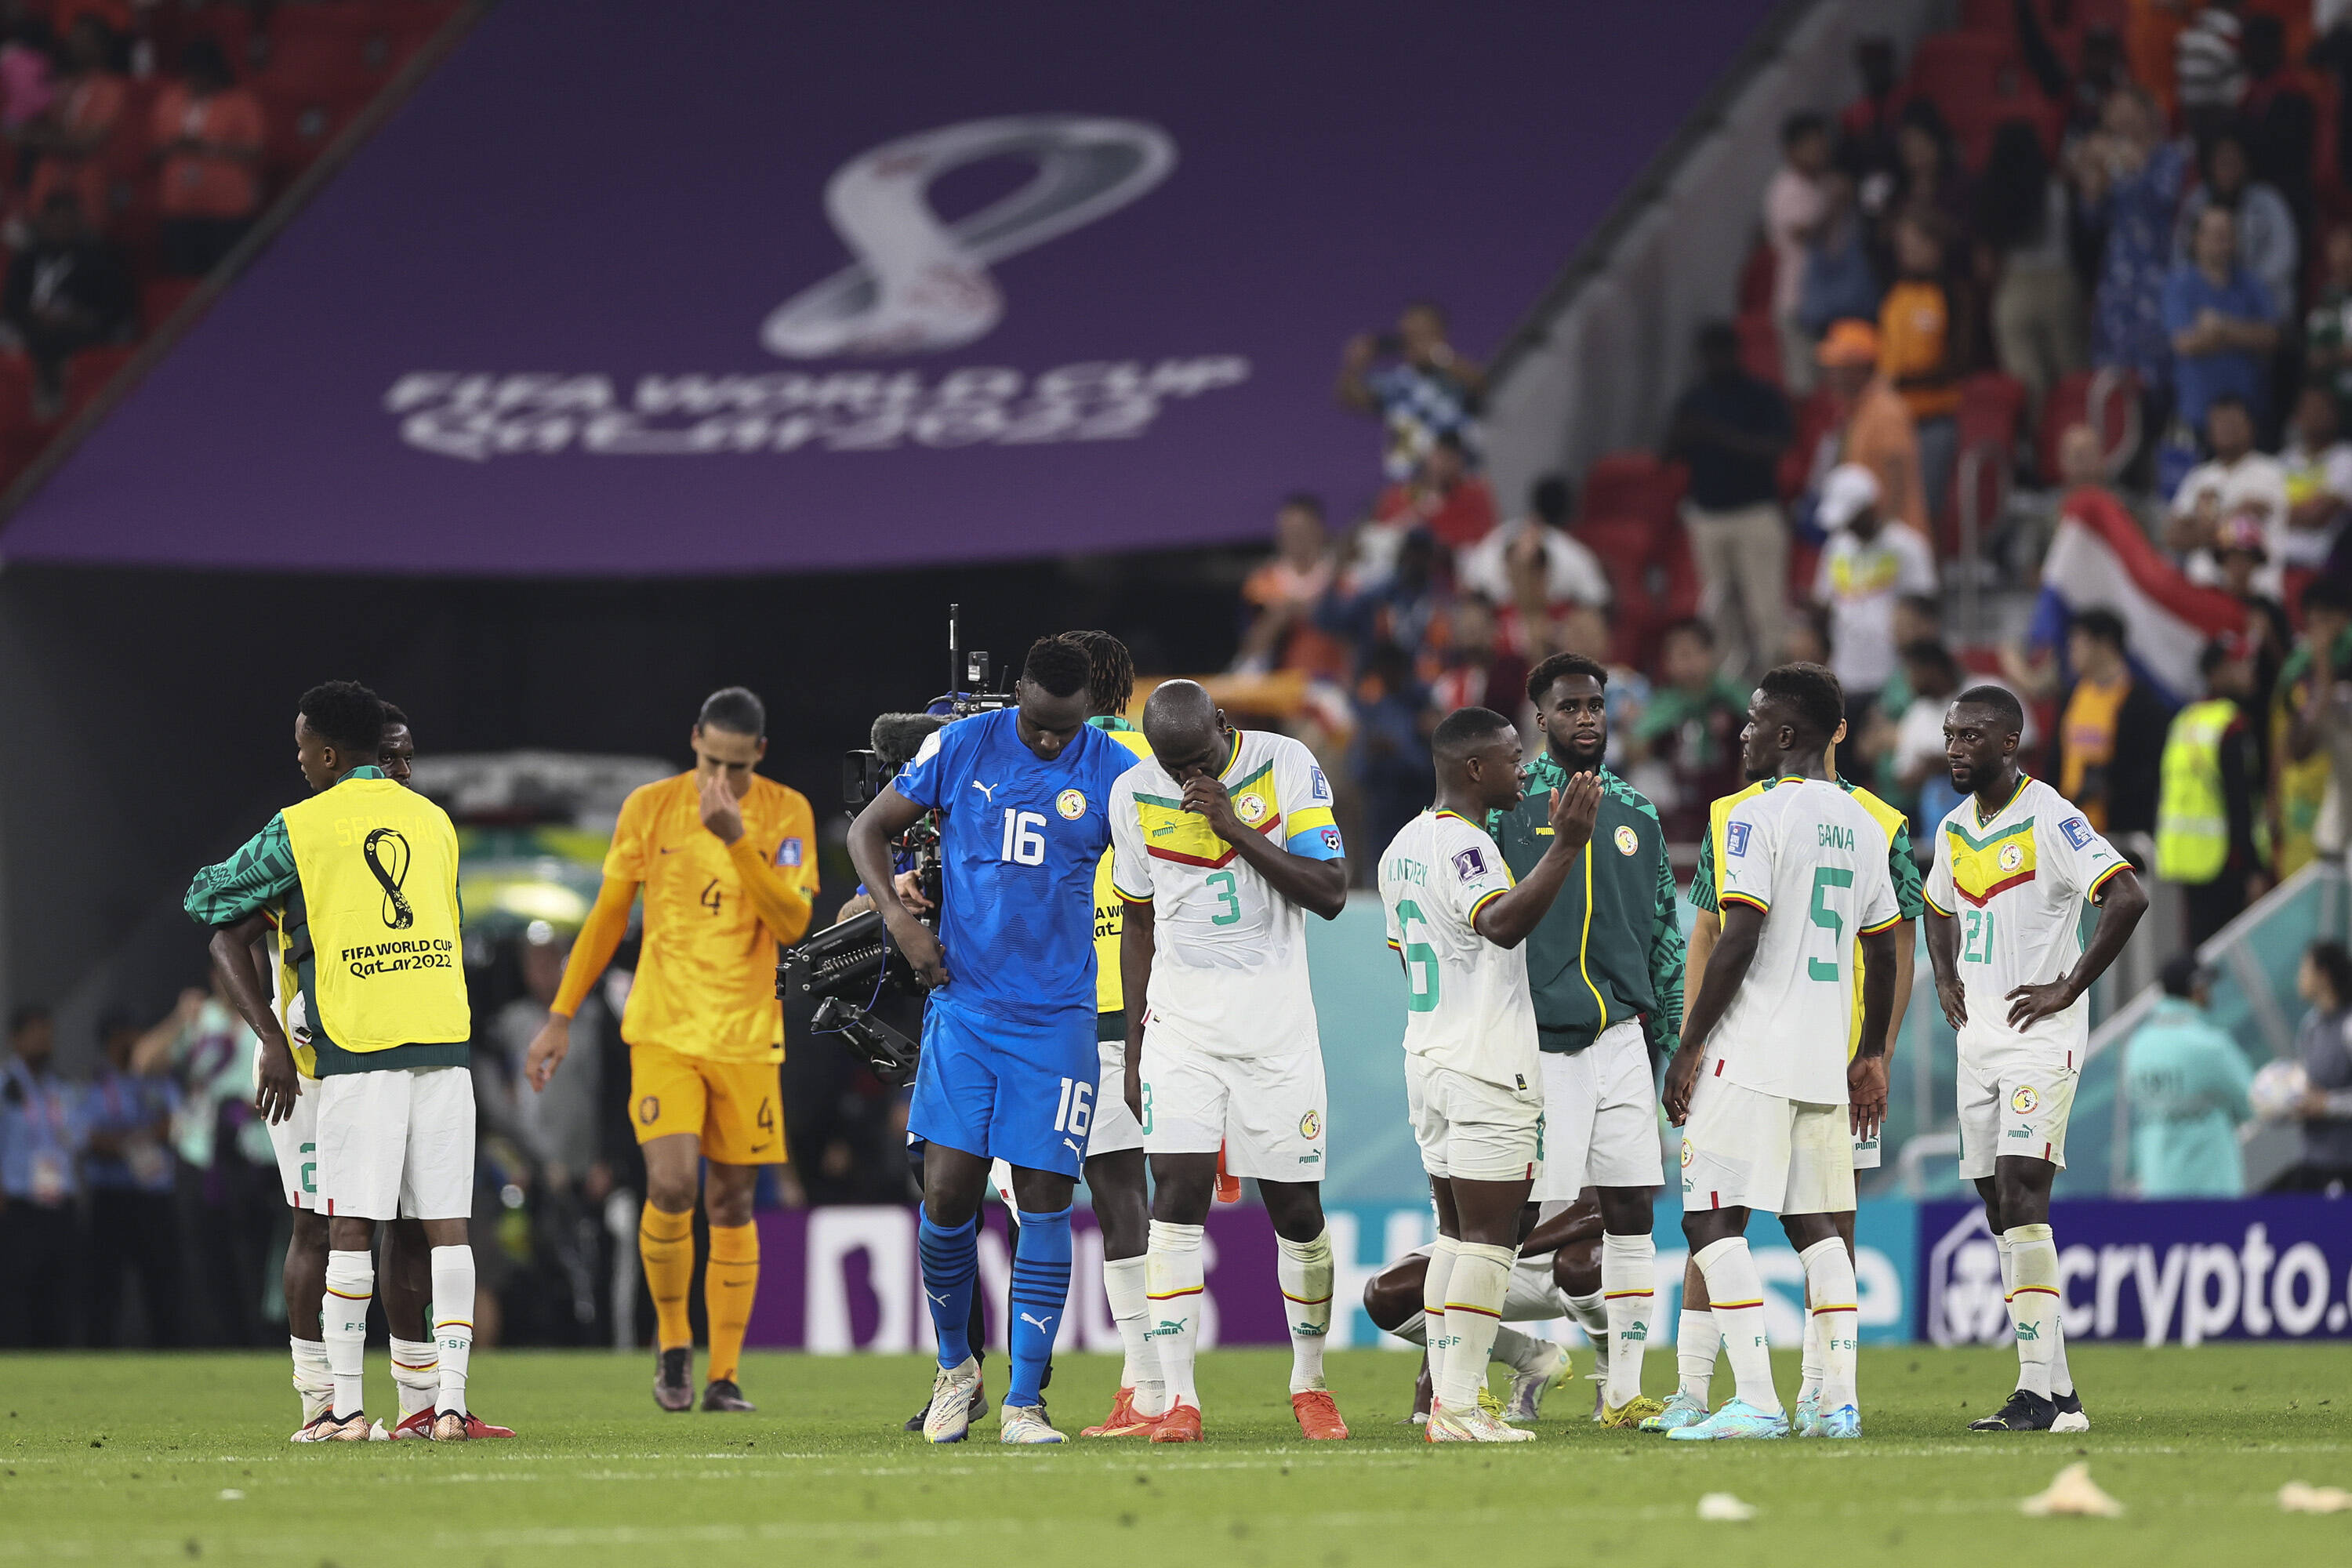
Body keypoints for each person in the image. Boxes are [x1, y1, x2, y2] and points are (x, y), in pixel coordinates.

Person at [186, 681, 501, 1440]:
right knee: (433, 1228)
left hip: (349, 1050)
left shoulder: (303, 829)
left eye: (301, 747)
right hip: (437, 1041)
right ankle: (431, 1404)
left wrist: (271, 1034)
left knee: (344, 1225)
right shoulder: (437, 823)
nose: (297, 760)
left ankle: (351, 1409)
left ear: (326, 753)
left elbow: (207, 901)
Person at [847, 637, 1138, 1445]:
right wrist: (902, 921)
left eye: (1066, 728)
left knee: (1046, 1199)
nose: (1051, 741)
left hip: (1059, 1019)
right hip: (966, 1008)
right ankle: (955, 1372)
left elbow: (1155, 881)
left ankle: (1025, 1402)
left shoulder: (1112, 768)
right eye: (1040, 724)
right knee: (947, 1194)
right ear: (1018, 694)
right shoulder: (962, 744)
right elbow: (868, 831)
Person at [525, 687, 818, 1414]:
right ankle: (673, 1343)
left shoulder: (788, 813)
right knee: (673, 1185)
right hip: (662, 1030)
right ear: (694, 741)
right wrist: (560, 1016)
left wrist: (734, 839)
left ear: (760, 754)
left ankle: (724, 1376)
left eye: (737, 766)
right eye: (710, 760)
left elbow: (791, 924)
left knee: (731, 1200)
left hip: (747, 1038)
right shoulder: (649, 808)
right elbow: (607, 916)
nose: (722, 779)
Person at [1655, 691, 1922, 1436]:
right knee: (1820, 1231)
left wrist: (1689, 1044)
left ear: (1782, 733)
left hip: (1750, 1053)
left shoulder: (1753, 815)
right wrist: (1870, 1050)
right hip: (1822, 1059)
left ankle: (1757, 1401)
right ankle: (1837, 1402)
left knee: (1710, 1222)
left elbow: (1737, 936)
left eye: (1751, 720)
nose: (1740, 732)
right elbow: (1882, 946)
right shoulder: (1866, 825)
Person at [1107, 681, 1349, 1443]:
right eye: (1173, 766)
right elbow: (1137, 922)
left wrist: (1233, 824)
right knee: (1175, 1192)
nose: (1187, 779)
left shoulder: (1286, 764)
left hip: (1275, 1027)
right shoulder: (1131, 792)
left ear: (1225, 723)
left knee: (1296, 1209)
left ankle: (1310, 1381)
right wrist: (1135, 1040)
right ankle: (1180, 1397)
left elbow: (1333, 891)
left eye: (1199, 758)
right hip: (1181, 1026)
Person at [1926, 684, 2148, 1432]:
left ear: (2010, 743)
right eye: (1951, 734)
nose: (1956, 747)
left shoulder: (2051, 814)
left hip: (2039, 1037)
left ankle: (2032, 1394)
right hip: (1978, 1039)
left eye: (1972, 736)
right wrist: (1945, 974)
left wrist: (2068, 985)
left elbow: (2127, 896)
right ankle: (2062, 1398)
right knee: (1997, 1206)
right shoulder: (1955, 828)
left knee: (2024, 1193)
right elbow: (1934, 905)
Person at [1378, 706, 1597, 1443]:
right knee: (1488, 1245)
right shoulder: (1465, 848)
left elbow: (1405, 954)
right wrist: (1566, 847)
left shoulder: (1401, 845)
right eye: (1511, 755)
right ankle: (1462, 1409)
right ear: (1475, 769)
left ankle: (1450, 1401)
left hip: (1428, 1059)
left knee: (1453, 1238)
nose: (1525, 766)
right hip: (1483, 1067)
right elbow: (1500, 923)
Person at [1484, 652, 1684, 1428]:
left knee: (1633, 1206)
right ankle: (1504, 1363)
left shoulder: (1637, 810)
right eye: (1569, 706)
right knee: (1526, 1220)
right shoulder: (1507, 809)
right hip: (1537, 1045)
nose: (1587, 717)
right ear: (1541, 717)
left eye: (1596, 704)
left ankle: (1622, 1386)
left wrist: (1675, 1045)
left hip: (1623, 1041)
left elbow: (1663, 935)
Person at [1058, 630, 1161, 1441]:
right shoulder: (1161, 757)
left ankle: (1146, 1383)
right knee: (1150, 1192)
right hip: (1167, 1000)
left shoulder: (1064, 756)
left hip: (1087, 1005)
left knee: (1115, 1191)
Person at [1363, 1192, 1607, 1425]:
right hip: (1486, 1256)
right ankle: (1533, 1359)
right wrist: (1428, 1394)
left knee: (1582, 1264)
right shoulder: (1439, 1147)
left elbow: (1597, 1211)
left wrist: (1502, 1250)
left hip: (1565, 1258)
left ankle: (1614, 1377)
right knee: (1386, 1294)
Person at [1667, 321, 1795, 681]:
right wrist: (1682, 431)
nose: (1714, 361)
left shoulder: (1760, 396)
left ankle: (1780, 685)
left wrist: (1719, 435)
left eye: (1720, 353)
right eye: (1707, 355)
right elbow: (1666, 455)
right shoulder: (1694, 400)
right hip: (1708, 517)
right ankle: (1728, 692)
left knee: (1766, 609)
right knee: (1720, 613)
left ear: (1734, 353)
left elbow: (1777, 447)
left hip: (1756, 513)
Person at [2074, 86, 2192, 421]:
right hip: (2118, 282)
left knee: (2159, 380)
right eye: (2115, 112)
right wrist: (2093, 177)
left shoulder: (2170, 155)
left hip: (2159, 274)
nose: (2122, 120)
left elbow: (2163, 198)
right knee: (2116, 379)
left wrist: (2119, 159)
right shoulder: (2109, 158)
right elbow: (2091, 218)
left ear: (2147, 113)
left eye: (2129, 111)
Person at [2155, 638, 2267, 948]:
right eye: (2241, 665)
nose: (2250, 672)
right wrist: (2254, 868)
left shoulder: (2184, 720)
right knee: (2229, 954)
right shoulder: (2231, 724)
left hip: (2186, 858)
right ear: (2217, 673)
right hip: (2225, 862)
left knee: (2199, 949)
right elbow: (2239, 801)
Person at [79, 1011, 180, 1347]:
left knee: (162, 1279)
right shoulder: (98, 1083)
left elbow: (173, 1125)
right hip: (112, 1193)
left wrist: (126, 1139)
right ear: (112, 1041)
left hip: (153, 1195)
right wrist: (137, 1140)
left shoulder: (157, 1079)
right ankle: (99, 1350)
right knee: (105, 1282)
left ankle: (170, 1350)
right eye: (128, 1036)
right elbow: (90, 1138)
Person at [1813, 463, 1937, 732]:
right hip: (1846, 678)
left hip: (1893, 681)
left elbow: (1924, 614)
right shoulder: (1836, 548)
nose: (1847, 526)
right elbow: (1824, 601)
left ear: (1870, 508)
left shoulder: (1908, 547)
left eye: (1853, 518)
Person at [1978, 118, 2085, 416]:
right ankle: (2078, 443)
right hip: (2060, 285)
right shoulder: (2059, 187)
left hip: (2015, 291)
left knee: (2027, 384)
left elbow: (1986, 263)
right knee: (2072, 377)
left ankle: (2039, 447)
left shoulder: (1997, 193)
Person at [2124, 955, 2254, 1197]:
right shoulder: (2209, 1045)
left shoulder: (2137, 1045)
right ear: (2197, 989)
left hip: (2157, 1181)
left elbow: (2134, 1100)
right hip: (2211, 1186)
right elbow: (2251, 1102)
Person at [1878, 209, 1971, 523]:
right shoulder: (1896, 295)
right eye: (1902, 243)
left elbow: (1959, 361)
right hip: (1894, 421)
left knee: (1926, 511)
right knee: (1892, 511)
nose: (1906, 250)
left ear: (1935, 247)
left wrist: (1903, 381)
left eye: (1914, 242)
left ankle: (1930, 571)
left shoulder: (1951, 293)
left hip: (1933, 420)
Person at [0, 1004, 82, 1347]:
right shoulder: (5, 1086)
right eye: (34, 1031)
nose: (43, 1039)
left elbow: (77, 1136)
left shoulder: (60, 1086)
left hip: (59, 1201)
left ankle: (59, 1364)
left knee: (60, 1291)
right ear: (16, 1038)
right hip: (20, 1203)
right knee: (19, 1291)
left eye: (46, 1031)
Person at [2052, 606, 2172, 837]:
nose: (2071, 651)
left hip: (2120, 833)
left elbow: (2149, 770)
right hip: (2070, 831)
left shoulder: (2140, 702)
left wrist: (2110, 786)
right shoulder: (2072, 697)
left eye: (2079, 642)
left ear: (2105, 644)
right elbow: (2057, 760)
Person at [2165, 205, 2279, 445]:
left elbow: (2271, 338)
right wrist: (2244, 335)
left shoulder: (2251, 283)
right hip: (2198, 416)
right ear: (2197, 239)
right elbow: (2185, 343)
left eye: (2228, 235)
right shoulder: (2181, 284)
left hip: (2249, 414)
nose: (2223, 241)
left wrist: (2222, 327)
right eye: (2215, 234)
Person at [0, 190, 130, 398]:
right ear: (44, 221)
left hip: (81, 327)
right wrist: (34, 315)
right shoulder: (27, 258)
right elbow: (12, 302)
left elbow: (117, 304)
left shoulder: (99, 258)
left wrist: (81, 316)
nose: (61, 225)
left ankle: (58, 394)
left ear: (79, 220)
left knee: (63, 339)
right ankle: (42, 393)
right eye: (56, 219)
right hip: (33, 325)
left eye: (67, 218)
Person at [1336, 301, 1486, 481]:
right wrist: (1355, 364)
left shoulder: (1456, 374)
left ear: (1440, 334)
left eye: (1422, 335)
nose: (1413, 343)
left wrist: (1437, 355)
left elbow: (1479, 382)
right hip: (1412, 484)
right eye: (1408, 336)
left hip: (1460, 478)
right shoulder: (1396, 382)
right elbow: (1348, 396)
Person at [151, 36, 263, 277]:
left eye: (201, 74)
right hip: (180, 208)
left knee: (227, 283)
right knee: (183, 281)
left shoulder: (240, 101)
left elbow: (254, 150)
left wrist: (206, 147)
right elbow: (156, 148)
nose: (195, 81)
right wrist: (176, 146)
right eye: (190, 74)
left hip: (227, 212)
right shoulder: (170, 98)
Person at [1813, 319, 1929, 546]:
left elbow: (1899, 480)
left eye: (1840, 368)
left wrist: (1883, 534)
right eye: (1831, 368)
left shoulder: (1886, 410)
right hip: (1870, 541)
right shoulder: (1855, 410)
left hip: (1895, 542)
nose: (1832, 376)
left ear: (1862, 368)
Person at [1632, 619, 1751, 837]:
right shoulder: (1664, 704)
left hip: (1728, 800)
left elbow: (1759, 736)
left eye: (1689, 654)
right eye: (1675, 656)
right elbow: (1637, 748)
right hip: (1678, 805)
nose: (1684, 664)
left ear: (1709, 655)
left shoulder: (1732, 699)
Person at [2171, 126, 2299, 322]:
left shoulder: (2268, 200)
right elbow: (2180, 256)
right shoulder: (2196, 202)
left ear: (2246, 163)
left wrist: (2242, 288)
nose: (2228, 169)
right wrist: (2212, 289)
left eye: (2234, 162)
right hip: (2206, 304)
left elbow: (2284, 256)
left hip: (2260, 303)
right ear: (2210, 164)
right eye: (2222, 162)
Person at [2169, 395, 2289, 598]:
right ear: (2209, 431)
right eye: (2220, 423)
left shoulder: (2271, 471)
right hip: (2202, 588)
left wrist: (2202, 524)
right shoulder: (2199, 476)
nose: (2227, 429)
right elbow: (2173, 536)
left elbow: (2241, 529)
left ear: (2250, 427)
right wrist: (2224, 519)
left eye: (2233, 423)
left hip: (2256, 593)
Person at [2275, 578, 2352, 878]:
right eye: (2313, 622)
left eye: (2326, 620)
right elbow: (2300, 749)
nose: (2318, 630)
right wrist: (2321, 663)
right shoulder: (2305, 673)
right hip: (2339, 828)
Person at [1454, 474, 1609, 619]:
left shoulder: (1498, 535)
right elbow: (1599, 600)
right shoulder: (1573, 552)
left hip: (1548, 634)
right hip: (1501, 634)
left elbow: (1467, 585)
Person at [21, 15, 125, 230]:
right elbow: (29, 130)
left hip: (86, 195)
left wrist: (41, 139)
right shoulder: (59, 85)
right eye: (73, 36)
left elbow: (85, 145)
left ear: (102, 46)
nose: (75, 42)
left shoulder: (110, 89)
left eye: (83, 38)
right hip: (46, 193)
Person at [1233, 494, 1348, 680]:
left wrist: (1309, 608)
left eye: (1301, 530)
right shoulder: (1263, 582)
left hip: (1332, 680)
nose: (1294, 538)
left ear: (1319, 530)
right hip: (1282, 684)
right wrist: (1280, 614)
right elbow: (1251, 648)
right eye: (1287, 531)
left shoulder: (1342, 577)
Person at [1766, 111, 1835, 391]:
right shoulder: (1785, 188)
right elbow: (1804, 234)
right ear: (1790, 150)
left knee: (1836, 387)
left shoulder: (1825, 184)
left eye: (1821, 141)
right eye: (1809, 143)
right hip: (1797, 302)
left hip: (1830, 299)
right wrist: (1836, 207)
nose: (1818, 148)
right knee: (1807, 388)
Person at [2278, 940, 2352, 1192]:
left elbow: (2325, 1101)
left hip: (2345, 1163)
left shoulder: (2348, 1026)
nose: (2300, 977)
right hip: (2313, 1160)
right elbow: (2308, 1085)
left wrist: (2328, 1104)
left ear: (2324, 975)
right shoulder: (2310, 1026)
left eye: (2304, 969)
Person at [1368, 432, 1496, 552]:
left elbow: (1487, 538)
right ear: (1427, 455)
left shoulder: (1474, 494)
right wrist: (1416, 514)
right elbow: (1380, 537)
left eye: (1452, 457)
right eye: (1440, 455)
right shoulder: (1401, 493)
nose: (1444, 464)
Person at [2281, 385, 2352, 574]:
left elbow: (2317, 516)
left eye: (2322, 409)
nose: (2315, 415)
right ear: (2297, 417)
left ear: (2335, 415)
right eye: (2309, 408)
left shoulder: (2346, 458)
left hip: (2320, 565)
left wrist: (2275, 512)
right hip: (2277, 561)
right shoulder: (2283, 460)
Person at [2308, 224, 2352, 430]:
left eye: (2348, 259)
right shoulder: (2325, 303)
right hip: (2337, 405)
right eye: (2339, 261)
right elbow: (2315, 358)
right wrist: (2340, 355)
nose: (2343, 265)